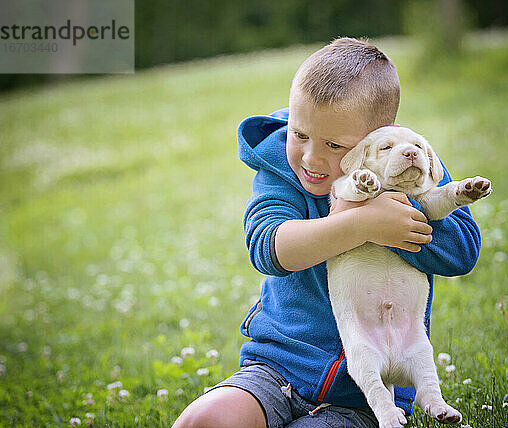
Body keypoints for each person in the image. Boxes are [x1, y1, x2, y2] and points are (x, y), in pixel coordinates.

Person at [173, 37, 481, 428]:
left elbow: (463, 250)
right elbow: (268, 246)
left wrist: (403, 216)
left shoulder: (410, 165)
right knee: (201, 421)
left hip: (366, 396)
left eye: (335, 145)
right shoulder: (282, 172)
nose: (311, 158)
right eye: (299, 134)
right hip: (279, 367)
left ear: (380, 137)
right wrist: (362, 223)